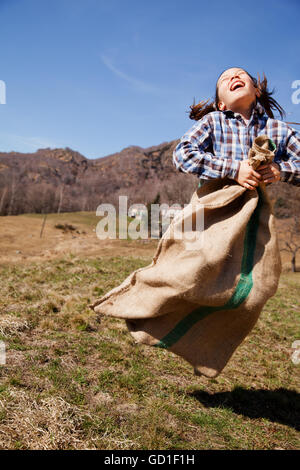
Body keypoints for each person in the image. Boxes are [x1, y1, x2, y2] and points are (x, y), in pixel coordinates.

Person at [173, 67, 300, 189]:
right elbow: (182, 155)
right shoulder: (213, 121)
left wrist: (281, 169)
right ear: (221, 104)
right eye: (225, 79)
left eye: (240, 73)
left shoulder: (278, 129)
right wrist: (234, 169)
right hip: (215, 204)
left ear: (256, 91)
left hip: (257, 207)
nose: (234, 76)